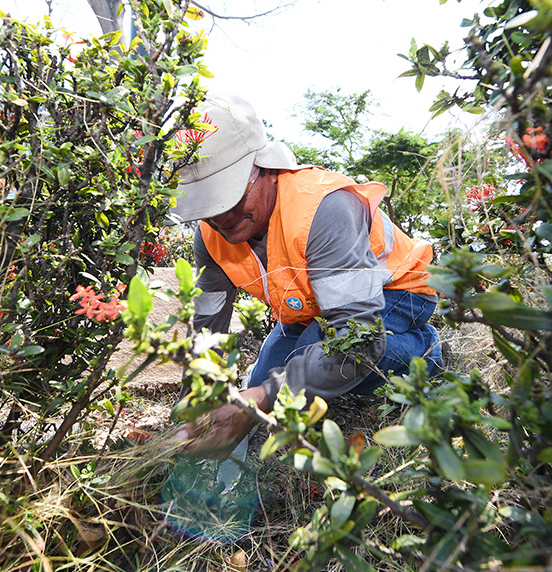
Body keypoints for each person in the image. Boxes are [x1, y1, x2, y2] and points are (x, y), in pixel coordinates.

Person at [172, 94, 441, 458]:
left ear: (263, 169)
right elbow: (207, 332)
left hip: (399, 290)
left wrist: (261, 400)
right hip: (314, 309)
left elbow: (357, 340)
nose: (222, 218)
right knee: (264, 380)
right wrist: (197, 406)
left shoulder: (322, 208)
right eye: (209, 207)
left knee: (317, 368)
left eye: (232, 198)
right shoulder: (210, 239)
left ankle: (425, 350)